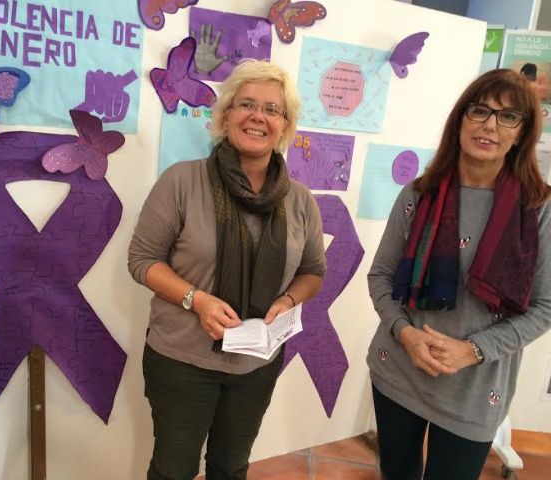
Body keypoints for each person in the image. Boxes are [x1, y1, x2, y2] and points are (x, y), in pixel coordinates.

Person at [128, 60, 326, 480]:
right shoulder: (182, 181)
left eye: (272, 109)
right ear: (225, 115)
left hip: (257, 364)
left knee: (231, 468)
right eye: (246, 104)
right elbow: (142, 260)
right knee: (173, 471)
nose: (258, 116)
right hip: (182, 361)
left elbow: (313, 271)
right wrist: (196, 300)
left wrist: (289, 299)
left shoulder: (300, 200)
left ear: (285, 125)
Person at [367, 68, 551, 480]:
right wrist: (405, 333)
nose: (490, 125)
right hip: (398, 367)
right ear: (460, 119)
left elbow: (545, 307)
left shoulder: (538, 209)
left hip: (475, 389)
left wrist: (473, 349)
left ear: (522, 133)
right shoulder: (418, 194)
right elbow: (380, 277)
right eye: (480, 110)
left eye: (508, 116)